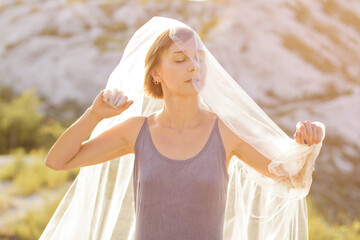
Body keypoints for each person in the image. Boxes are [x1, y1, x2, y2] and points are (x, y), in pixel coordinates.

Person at [41, 17, 325, 240]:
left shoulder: (226, 132)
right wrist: (94, 115)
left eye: (199, 57)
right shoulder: (135, 131)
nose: (194, 67)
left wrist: (307, 145)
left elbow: (292, 181)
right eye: (180, 59)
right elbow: (57, 161)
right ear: (156, 73)